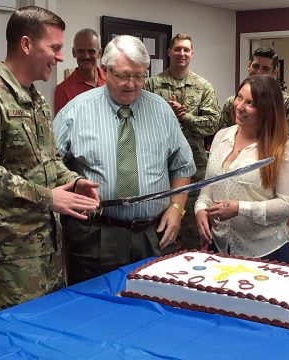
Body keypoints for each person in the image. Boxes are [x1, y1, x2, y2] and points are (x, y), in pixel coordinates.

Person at [0, 6, 100, 314]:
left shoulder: (35, 99)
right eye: (55, 47)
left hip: (48, 247)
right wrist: (48, 197)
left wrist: (73, 182)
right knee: (16, 340)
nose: (60, 57)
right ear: (26, 44)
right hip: (10, 255)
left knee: (49, 330)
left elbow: (49, 161)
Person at [53, 35, 196, 284]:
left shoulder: (161, 111)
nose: (132, 84)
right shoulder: (75, 112)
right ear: (105, 70)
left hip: (154, 235)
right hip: (96, 236)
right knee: (94, 309)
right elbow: (49, 166)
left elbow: (182, 165)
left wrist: (176, 209)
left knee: (154, 308)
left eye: (139, 76)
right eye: (123, 76)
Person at [195, 75, 289, 263]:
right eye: (239, 97)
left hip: (264, 252)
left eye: (250, 103)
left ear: (267, 110)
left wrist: (240, 208)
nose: (239, 106)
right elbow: (208, 189)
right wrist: (201, 209)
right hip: (220, 247)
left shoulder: (282, 149)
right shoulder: (221, 137)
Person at [144, 33, 220, 250]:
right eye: (177, 49)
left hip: (193, 170)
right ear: (169, 52)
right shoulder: (151, 85)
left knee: (191, 233)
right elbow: (140, 120)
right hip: (159, 169)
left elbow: (212, 124)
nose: (182, 53)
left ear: (192, 54)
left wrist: (185, 117)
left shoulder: (203, 86)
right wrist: (164, 115)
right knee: (159, 230)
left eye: (186, 50)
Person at [219, 48, 289, 151]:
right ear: (249, 66)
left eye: (266, 68)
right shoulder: (233, 103)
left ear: (274, 72)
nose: (259, 72)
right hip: (235, 158)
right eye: (255, 66)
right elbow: (223, 136)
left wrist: (256, 150)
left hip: (269, 160)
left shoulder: (286, 104)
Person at [54, 28, 105, 114]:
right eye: (81, 51)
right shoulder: (63, 90)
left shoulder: (111, 81)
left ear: (99, 53)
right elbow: (62, 127)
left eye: (91, 51)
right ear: (74, 52)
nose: (86, 56)